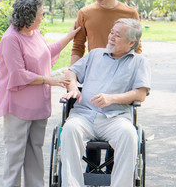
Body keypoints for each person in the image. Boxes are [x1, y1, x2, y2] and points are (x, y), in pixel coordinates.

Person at [0, 0, 80, 187]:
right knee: (15, 156)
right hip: (18, 107)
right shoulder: (11, 39)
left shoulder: (35, 33)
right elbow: (19, 74)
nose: (43, 18)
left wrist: (70, 35)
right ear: (29, 16)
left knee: (35, 153)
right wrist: (51, 80)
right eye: (41, 14)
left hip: (39, 106)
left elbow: (46, 54)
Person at [61, 18, 151, 187]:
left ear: (131, 42)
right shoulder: (95, 54)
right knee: (69, 129)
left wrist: (112, 98)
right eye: (111, 32)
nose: (111, 37)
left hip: (115, 118)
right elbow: (71, 72)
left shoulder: (139, 62)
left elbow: (140, 94)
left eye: (117, 35)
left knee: (129, 134)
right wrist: (73, 88)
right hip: (84, 115)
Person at [70, 0, 141, 66]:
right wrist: (71, 76)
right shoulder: (84, 13)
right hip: (95, 71)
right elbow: (78, 47)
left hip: (122, 71)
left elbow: (136, 48)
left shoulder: (130, 14)